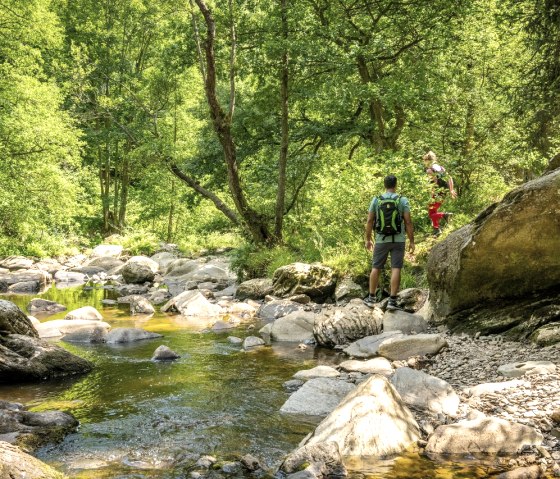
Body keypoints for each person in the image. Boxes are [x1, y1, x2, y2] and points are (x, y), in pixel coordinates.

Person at [363, 174, 415, 310]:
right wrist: (412, 241)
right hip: (399, 240)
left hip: (381, 240)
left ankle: (371, 298)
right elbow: (408, 221)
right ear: (395, 185)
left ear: (384, 185)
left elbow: (369, 221)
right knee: (396, 268)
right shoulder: (402, 200)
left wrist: (368, 239)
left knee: (376, 267)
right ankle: (392, 301)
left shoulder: (376, 200)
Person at [422, 151, 457, 236]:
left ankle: (445, 216)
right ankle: (436, 229)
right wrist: (451, 190)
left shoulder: (430, 170)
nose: (424, 163)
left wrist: (432, 194)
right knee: (433, 211)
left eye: (425, 161)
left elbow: (435, 182)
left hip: (437, 193)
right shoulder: (441, 168)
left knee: (431, 213)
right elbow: (449, 178)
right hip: (444, 192)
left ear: (428, 160)